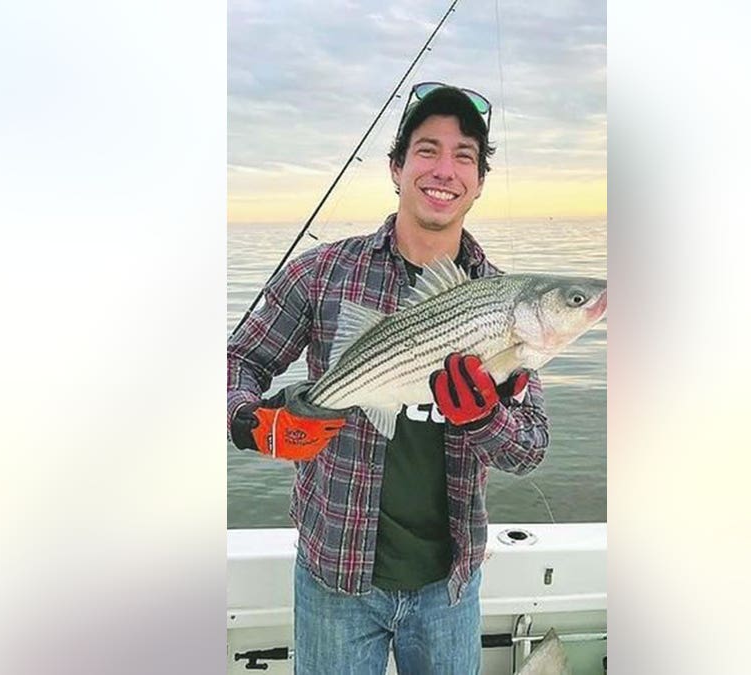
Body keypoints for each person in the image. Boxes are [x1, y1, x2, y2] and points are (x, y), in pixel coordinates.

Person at [227, 82, 550, 674]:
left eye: (465, 157)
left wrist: (486, 418)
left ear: (478, 183)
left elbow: (530, 449)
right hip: (335, 574)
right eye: (427, 150)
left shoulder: (505, 300)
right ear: (397, 168)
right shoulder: (323, 273)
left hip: (449, 588)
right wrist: (250, 420)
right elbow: (236, 362)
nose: (444, 170)